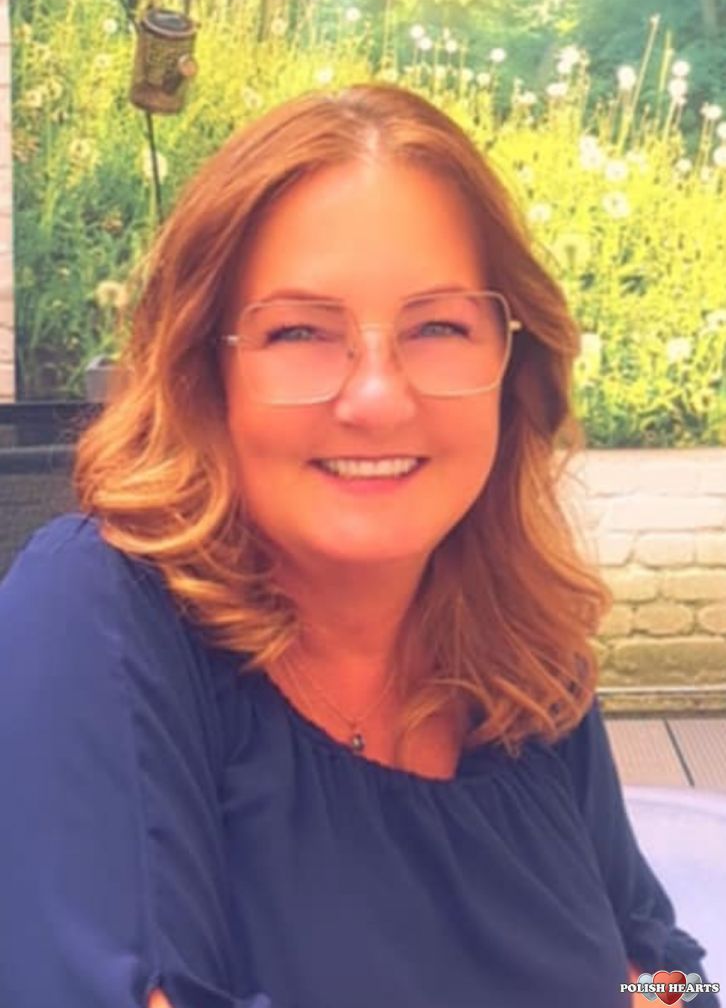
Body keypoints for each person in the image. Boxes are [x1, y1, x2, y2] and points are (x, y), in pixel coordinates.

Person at [0, 83, 718, 1008]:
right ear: (204, 372)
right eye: (299, 330)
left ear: (512, 365)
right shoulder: (94, 619)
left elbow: (657, 959)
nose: (377, 396)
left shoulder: (526, 664)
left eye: (438, 326)